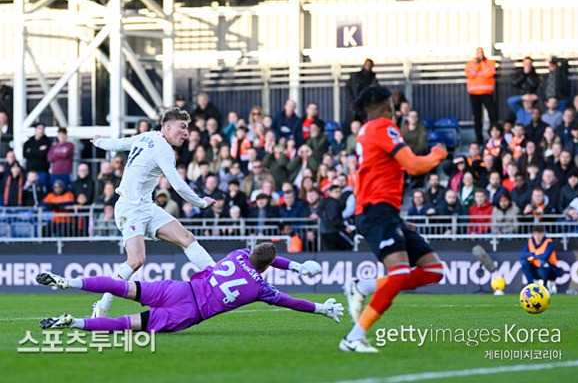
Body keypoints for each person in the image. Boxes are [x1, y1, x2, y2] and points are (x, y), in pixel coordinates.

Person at [338, 85, 447, 353]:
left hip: (385, 212)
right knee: (398, 274)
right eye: (393, 104)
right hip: (376, 210)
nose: (395, 110)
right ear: (387, 105)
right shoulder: (382, 126)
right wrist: (438, 154)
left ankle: (361, 286)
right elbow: (415, 165)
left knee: (434, 271)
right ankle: (354, 337)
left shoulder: (365, 130)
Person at [36, 243, 343, 332]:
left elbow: (264, 257)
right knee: (125, 325)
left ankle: (70, 282)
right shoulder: (261, 288)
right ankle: (72, 323)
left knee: (123, 287)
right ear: (267, 267)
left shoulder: (237, 254)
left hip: (179, 289)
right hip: (189, 311)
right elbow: (290, 301)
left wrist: (293, 265)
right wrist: (321, 307)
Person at [90, 107, 217, 318]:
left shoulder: (147, 136)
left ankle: (219, 278)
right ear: (168, 126)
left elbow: (120, 143)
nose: (186, 133)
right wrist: (201, 203)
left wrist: (99, 142)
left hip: (146, 206)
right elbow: (177, 184)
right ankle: (101, 306)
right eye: (182, 127)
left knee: (186, 238)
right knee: (136, 260)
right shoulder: (163, 148)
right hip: (130, 207)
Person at [465, 47, 498, 145]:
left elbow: (489, 73)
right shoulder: (470, 64)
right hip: (474, 93)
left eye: (481, 52)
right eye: (478, 52)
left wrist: (482, 63)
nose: (480, 54)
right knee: (477, 117)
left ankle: (494, 136)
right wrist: (477, 64)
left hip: (487, 92)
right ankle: (479, 139)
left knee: (493, 115)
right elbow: (471, 74)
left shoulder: (489, 62)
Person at [519, 225, 564, 294]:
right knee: (523, 262)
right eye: (535, 234)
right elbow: (522, 254)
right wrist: (533, 253)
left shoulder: (548, 242)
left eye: (539, 234)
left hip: (550, 270)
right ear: (533, 234)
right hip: (536, 269)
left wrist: (534, 257)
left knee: (543, 262)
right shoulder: (531, 242)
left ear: (543, 234)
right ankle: (530, 285)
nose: (537, 236)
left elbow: (545, 256)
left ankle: (544, 286)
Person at [318, 185, 354, 251]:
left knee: (331, 252)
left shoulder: (324, 202)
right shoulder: (333, 204)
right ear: (330, 192)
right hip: (333, 231)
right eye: (336, 192)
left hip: (324, 232)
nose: (338, 194)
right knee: (350, 246)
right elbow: (333, 219)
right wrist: (344, 227)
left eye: (340, 192)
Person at [346, 58, 378, 123]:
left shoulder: (373, 78)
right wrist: (352, 100)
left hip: (367, 104)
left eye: (369, 65)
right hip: (357, 103)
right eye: (367, 65)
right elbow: (349, 88)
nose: (368, 66)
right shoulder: (356, 76)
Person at [23, 122, 52, 188]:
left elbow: (44, 154)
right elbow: (25, 155)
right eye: (39, 129)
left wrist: (32, 151)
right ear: (36, 129)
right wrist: (39, 150)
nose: (41, 131)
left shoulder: (47, 141)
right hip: (30, 171)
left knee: (42, 190)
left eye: (43, 129)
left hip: (42, 171)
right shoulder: (29, 142)